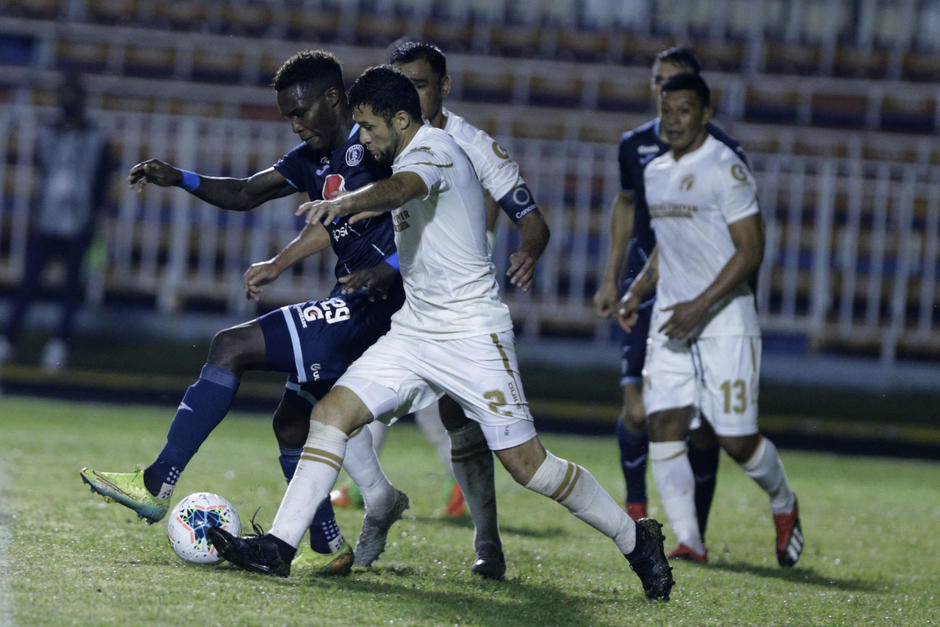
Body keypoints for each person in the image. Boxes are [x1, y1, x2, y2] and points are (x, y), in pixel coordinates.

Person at [207, 65, 674, 601]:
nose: (361, 137)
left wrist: (346, 203)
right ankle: (278, 549)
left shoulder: (436, 150)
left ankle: (635, 538)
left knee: (529, 467)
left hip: (473, 334)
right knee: (331, 413)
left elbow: (406, 187)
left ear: (401, 119)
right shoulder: (402, 150)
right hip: (415, 331)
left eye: (369, 127)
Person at [79, 50, 410, 576]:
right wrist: (179, 177)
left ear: (333, 98)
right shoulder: (313, 158)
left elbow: (428, 215)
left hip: (376, 308)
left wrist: (390, 267)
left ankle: (155, 482)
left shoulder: (375, 148)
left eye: (301, 112)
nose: (296, 125)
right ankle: (330, 548)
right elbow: (245, 192)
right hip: (356, 303)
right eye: (288, 117)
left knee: (231, 346)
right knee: (292, 423)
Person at [329, 40, 551, 578]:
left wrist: (527, 251)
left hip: (454, 304)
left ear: (443, 87)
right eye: (402, 82)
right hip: (395, 292)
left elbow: (532, 218)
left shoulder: (470, 144)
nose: (411, 92)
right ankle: (369, 496)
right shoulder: (377, 141)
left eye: (422, 84)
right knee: (348, 390)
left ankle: (486, 538)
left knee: (453, 415)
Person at [616, 73, 803, 568]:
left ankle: (783, 503)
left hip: (723, 321)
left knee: (736, 439)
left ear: (705, 114)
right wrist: (636, 292)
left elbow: (752, 249)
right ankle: (688, 542)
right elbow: (668, 247)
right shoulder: (655, 171)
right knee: (664, 422)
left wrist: (699, 305)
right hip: (674, 321)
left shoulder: (726, 168)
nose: (673, 120)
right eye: (666, 110)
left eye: (684, 110)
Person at [593, 46, 745, 560]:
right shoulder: (634, 144)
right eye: (658, 81)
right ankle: (637, 515)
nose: (664, 91)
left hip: (701, 299)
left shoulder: (725, 152)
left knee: (699, 423)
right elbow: (626, 204)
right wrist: (614, 278)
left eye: (674, 83)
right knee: (637, 410)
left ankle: (691, 533)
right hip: (647, 290)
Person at [0, 73, 113, 371]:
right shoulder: (49, 132)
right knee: (28, 283)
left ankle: (59, 344)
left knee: (71, 289)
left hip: (79, 222)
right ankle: (9, 338)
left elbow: (102, 179)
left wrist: (94, 216)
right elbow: (43, 168)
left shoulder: (96, 136)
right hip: (48, 220)